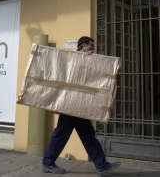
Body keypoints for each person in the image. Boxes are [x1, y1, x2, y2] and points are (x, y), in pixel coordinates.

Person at [41, 36, 121, 175]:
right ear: (83, 46)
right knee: (61, 133)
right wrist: (57, 103)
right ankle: (48, 162)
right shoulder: (73, 59)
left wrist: (89, 59)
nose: (93, 48)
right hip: (70, 105)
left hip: (81, 106)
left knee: (88, 135)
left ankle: (101, 165)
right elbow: (63, 79)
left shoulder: (88, 60)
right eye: (91, 45)